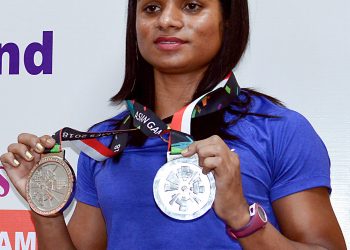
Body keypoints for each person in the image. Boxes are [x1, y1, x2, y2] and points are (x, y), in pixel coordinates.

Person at [0, 0, 346, 249]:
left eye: (191, 6)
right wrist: (44, 204)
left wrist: (243, 219)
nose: (167, 20)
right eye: (151, 8)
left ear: (228, 19)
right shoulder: (105, 143)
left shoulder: (280, 130)